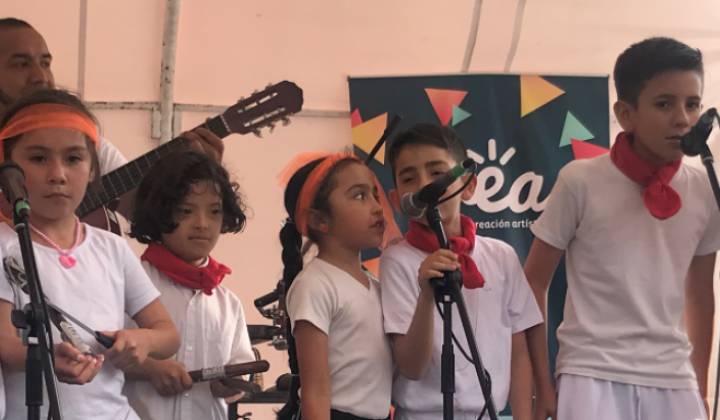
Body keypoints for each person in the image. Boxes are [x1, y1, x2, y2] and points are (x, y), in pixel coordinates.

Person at [526, 37, 720, 420]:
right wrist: (542, 383)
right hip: (591, 370)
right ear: (626, 113)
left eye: (693, 104)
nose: (682, 119)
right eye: (664, 104)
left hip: (673, 375)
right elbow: (534, 281)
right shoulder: (580, 180)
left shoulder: (705, 188)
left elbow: (700, 295)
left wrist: (699, 386)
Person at [0, 88, 180, 419]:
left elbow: (167, 334)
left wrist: (142, 341)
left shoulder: (112, 247)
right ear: (7, 168)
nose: (58, 174)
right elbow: (5, 345)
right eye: (39, 159)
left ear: (94, 168)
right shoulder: (4, 243)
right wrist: (47, 356)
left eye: (73, 159)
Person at [379, 124, 542, 420]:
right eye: (409, 178)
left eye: (437, 173)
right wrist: (426, 294)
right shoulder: (397, 260)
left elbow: (518, 349)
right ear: (397, 200)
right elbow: (411, 367)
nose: (425, 186)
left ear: (468, 185)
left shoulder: (501, 256)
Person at [0, 17, 224, 219]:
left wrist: (199, 175)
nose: (40, 77)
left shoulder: (82, 142)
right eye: (21, 64)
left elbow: (146, 214)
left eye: (45, 63)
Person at [123, 150, 255, 420]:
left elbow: (240, 371)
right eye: (185, 211)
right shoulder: (129, 282)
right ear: (159, 212)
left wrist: (232, 385)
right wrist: (149, 368)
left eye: (214, 211)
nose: (202, 224)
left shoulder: (228, 303)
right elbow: (95, 354)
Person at [281, 152, 393, 420]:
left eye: (375, 195)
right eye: (359, 196)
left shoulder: (375, 285)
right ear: (320, 220)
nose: (377, 207)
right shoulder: (315, 284)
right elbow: (315, 392)